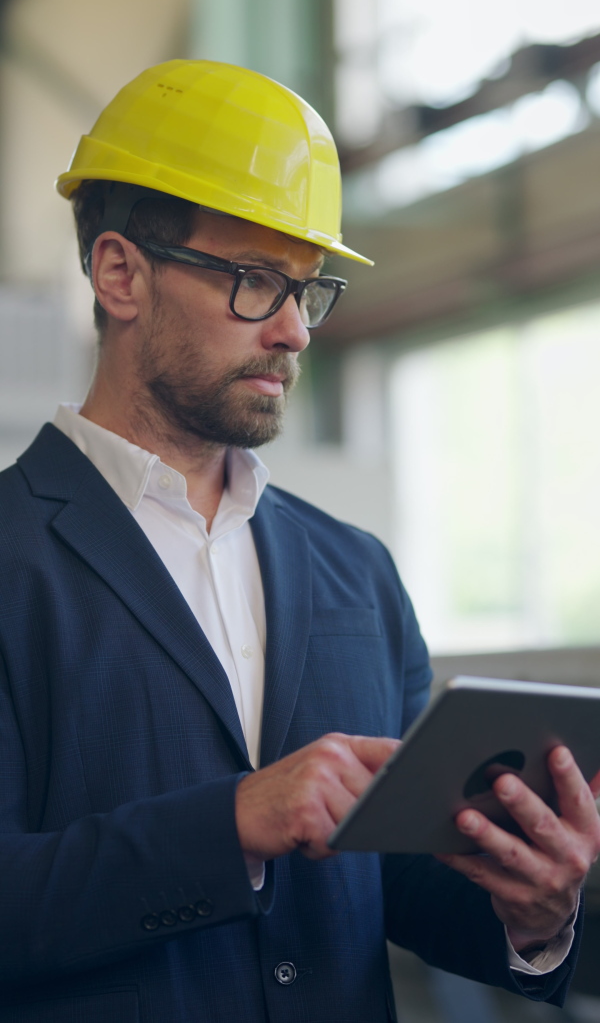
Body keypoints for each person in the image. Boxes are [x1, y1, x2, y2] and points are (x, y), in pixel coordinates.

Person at [0, 59, 597, 1023]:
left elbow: (394, 885)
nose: (293, 331)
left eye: (307, 292)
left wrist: (533, 913)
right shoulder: (12, 557)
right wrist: (233, 822)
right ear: (120, 272)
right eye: (253, 281)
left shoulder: (355, 573)